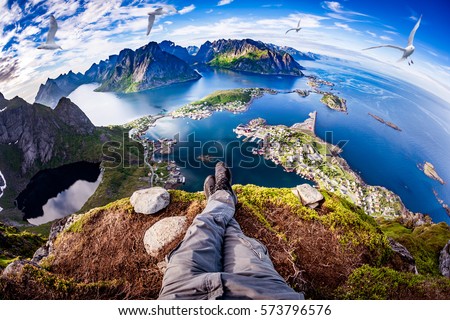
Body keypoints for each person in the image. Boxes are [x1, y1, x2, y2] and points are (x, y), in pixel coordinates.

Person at [158, 161, 304, 300]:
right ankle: (221, 196)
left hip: (181, 294)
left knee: (201, 227)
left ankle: (220, 198)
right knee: (235, 237)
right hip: (262, 292)